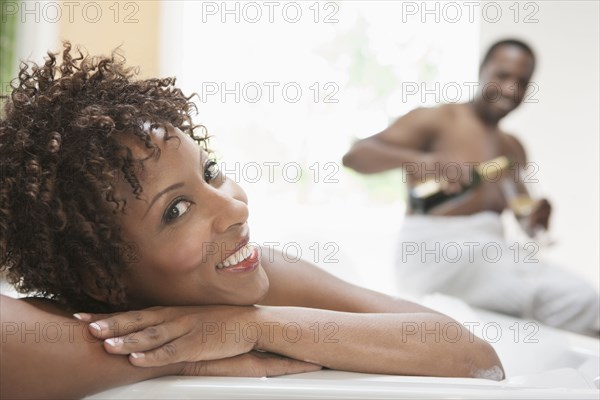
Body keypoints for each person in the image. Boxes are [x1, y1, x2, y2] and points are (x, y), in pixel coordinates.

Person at [0, 43, 504, 399]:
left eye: (210, 173)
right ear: (99, 279)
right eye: (176, 210)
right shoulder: (61, 327)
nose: (237, 208)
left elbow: (472, 355)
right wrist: (184, 351)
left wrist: (248, 326)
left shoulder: (258, 277)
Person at [342, 39, 600, 336]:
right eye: (503, 76)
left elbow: (524, 219)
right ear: (482, 70)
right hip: (438, 253)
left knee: (582, 299)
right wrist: (422, 161)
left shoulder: (513, 148)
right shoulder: (439, 118)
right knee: (550, 292)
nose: (510, 89)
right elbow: (355, 157)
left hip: (490, 257)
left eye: (522, 81)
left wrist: (536, 221)